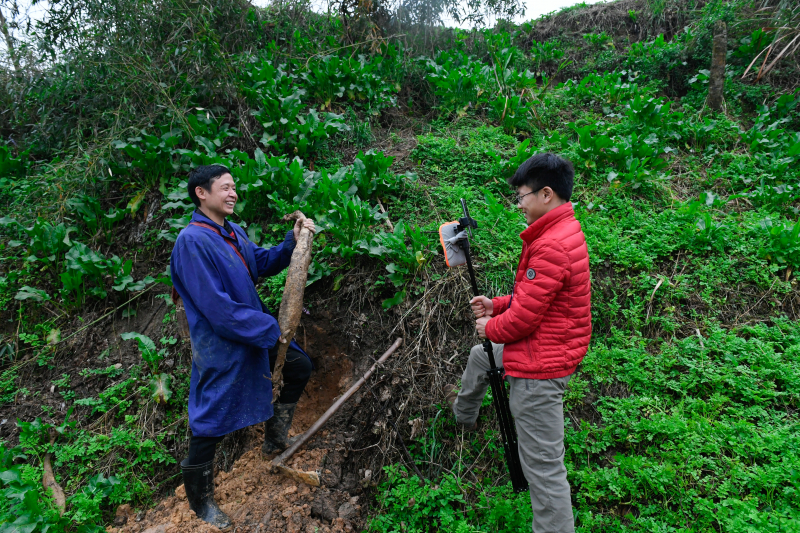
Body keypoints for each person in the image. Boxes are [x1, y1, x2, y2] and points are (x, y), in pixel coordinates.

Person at [446, 153, 591, 533]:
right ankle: (464, 417)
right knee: (482, 357)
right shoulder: (560, 232)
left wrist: (491, 326)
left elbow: (525, 319)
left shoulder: (551, 245)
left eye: (521, 196)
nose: (519, 205)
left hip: (539, 368)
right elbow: (535, 299)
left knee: (543, 470)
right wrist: (496, 305)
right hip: (547, 346)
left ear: (546, 194)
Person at [170, 164, 316, 529]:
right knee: (210, 420)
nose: (233, 193)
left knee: (299, 366)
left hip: (252, 332)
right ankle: (200, 501)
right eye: (225, 188)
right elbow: (217, 309)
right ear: (201, 194)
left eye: (234, 187)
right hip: (223, 343)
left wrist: (291, 242)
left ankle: (275, 440)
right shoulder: (191, 241)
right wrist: (271, 328)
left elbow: (259, 263)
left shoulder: (232, 232)